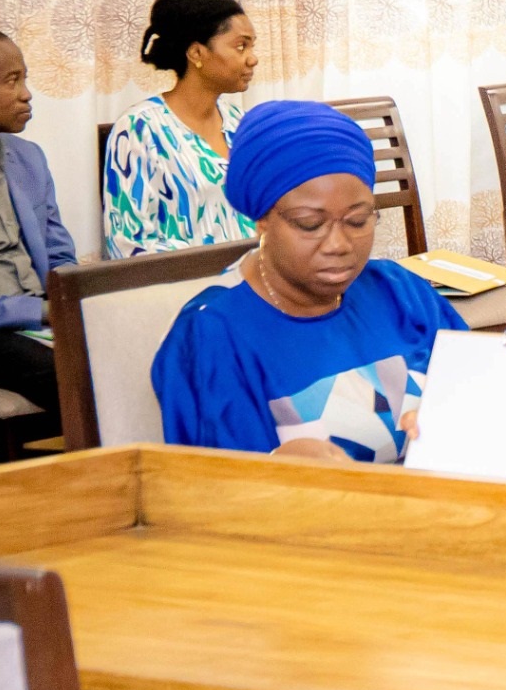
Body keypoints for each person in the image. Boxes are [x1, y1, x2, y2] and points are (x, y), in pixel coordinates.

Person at [150, 100, 462, 460]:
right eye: (310, 224)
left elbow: (483, 391)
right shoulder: (213, 333)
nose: (339, 245)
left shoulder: (401, 292)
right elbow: (216, 495)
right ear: (261, 221)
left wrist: (457, 421)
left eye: (358, 221)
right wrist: (285, 471)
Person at [104, 0, 259, 257]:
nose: (252, 59)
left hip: (252, 281)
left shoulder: (241, 124)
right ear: (197, 52)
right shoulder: (139, 129)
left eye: (251, 46)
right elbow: (128, 242)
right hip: (183, 289)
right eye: (240, 46)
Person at [0, 31, 72, 421]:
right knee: (75, 375)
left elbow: (61, 256)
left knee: (150, 352)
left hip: (41, 318)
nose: (27, 94)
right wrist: (42, 312)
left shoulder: (29, 158)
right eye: (11, 80)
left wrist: (74, 302)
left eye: (25, 78)